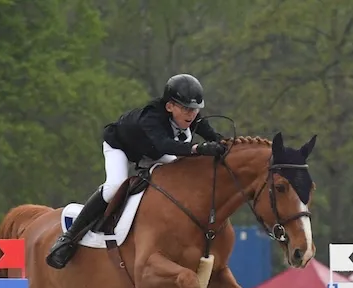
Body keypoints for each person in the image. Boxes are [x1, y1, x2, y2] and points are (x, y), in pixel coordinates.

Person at [46, 73, 228, 269]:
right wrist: (198, 149)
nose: (191, 115)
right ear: (169, 106)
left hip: (152, 153)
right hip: (121, 148)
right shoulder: (151, 117)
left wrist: (228, 147)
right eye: (186, 109)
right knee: (114, 186)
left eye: (194, 110)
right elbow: (164, 144)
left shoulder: (192, 118)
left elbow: (215, 137)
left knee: (181, 175)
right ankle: (68, 238)